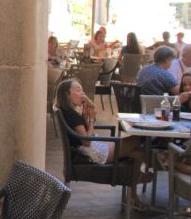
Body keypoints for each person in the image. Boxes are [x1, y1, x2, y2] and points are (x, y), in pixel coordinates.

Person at [55, 78, 150, 210]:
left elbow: (83, 135)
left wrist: (84, 117)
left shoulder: (69, 112)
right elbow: (87, 141)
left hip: (92, 147)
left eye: (82, 89)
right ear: (67, 95)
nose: (83, 93)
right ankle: (149, 170)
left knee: (138, 154)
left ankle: (133, 195)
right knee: (137, 139)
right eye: (78, 90)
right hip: (96, 153)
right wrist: (93, 120)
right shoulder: (72, 115)